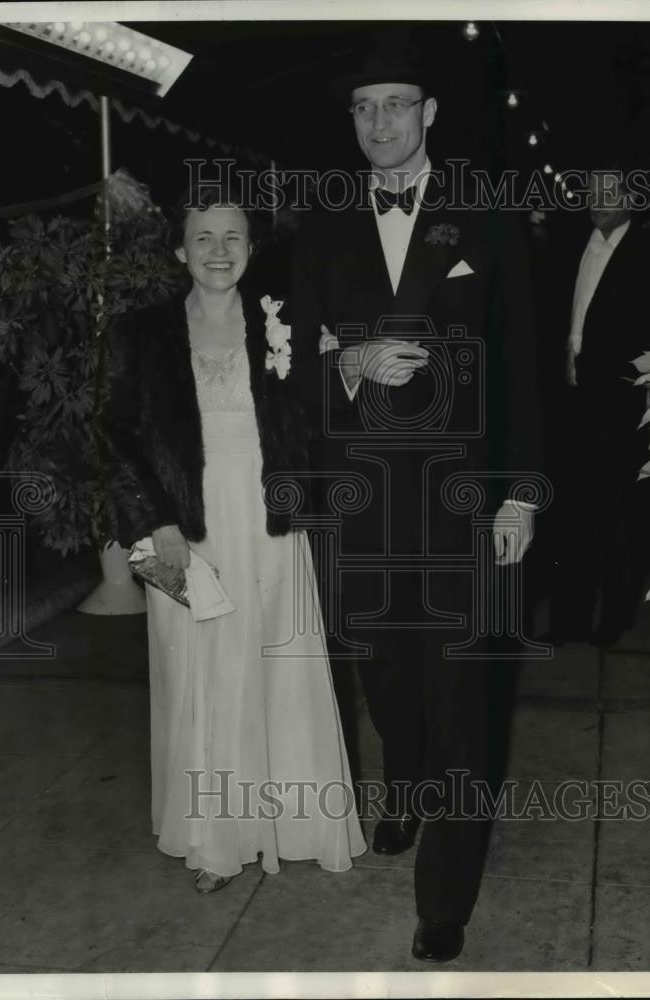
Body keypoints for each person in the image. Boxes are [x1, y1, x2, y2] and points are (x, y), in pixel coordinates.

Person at [291, 33, 543, 961]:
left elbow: (519, 371)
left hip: (463, 507)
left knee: (463, 696)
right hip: (362, 508)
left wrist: (519, 497)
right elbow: (296, 380)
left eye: (398, 104)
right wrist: (347, 363)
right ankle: (404, 787)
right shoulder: (321, 229)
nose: (380, 123)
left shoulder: (484, 218)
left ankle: (446, 894)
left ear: (430, 114)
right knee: (386, 678)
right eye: (364, 108)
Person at [94, 185, 366, 894]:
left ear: (251, 248)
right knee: (200, 669)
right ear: (181, 250)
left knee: (277, 662)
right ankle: (218, 838)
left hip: (268, 524)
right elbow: (114, 433)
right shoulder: (143, 332)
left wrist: (338, 368)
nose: (219, 251)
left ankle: (293, 822)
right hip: (185, 527)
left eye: (233, 237)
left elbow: (313, 422)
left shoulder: (280, 323)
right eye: (204, 238)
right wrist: (156, 522)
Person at [546, 160, 650, 645]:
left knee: (619, 516)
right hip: (570, 401)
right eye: (592, 191)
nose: (597, 200)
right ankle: (568, 620)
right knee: (571, 512)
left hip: (621, 405)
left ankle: (613, 622)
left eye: (609, 192)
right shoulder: (564, 247)